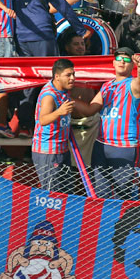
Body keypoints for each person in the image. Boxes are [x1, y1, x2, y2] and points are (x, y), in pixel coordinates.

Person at [88, 50, 140, 198]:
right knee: (101, 193)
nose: (122, 62)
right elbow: (90, 109)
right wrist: (69, 101)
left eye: (126, 60)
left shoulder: (133, 83)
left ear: (132, 65)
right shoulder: (106, 86)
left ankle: (124, 215)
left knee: (124, 194)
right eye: (119, 58)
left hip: (123, 146)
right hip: (101, 144)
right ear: (113, 63)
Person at [32, 58, 96, 191]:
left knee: (67, 192)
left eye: (73, 74)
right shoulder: (49, 95)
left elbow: (88, 110)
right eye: (68, 75)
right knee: (53, 195)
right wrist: (59, 112)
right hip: (49, 153)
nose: (73, 78)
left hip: (62, 151)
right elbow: (42, 120)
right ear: (57, 76)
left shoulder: (64, 92)